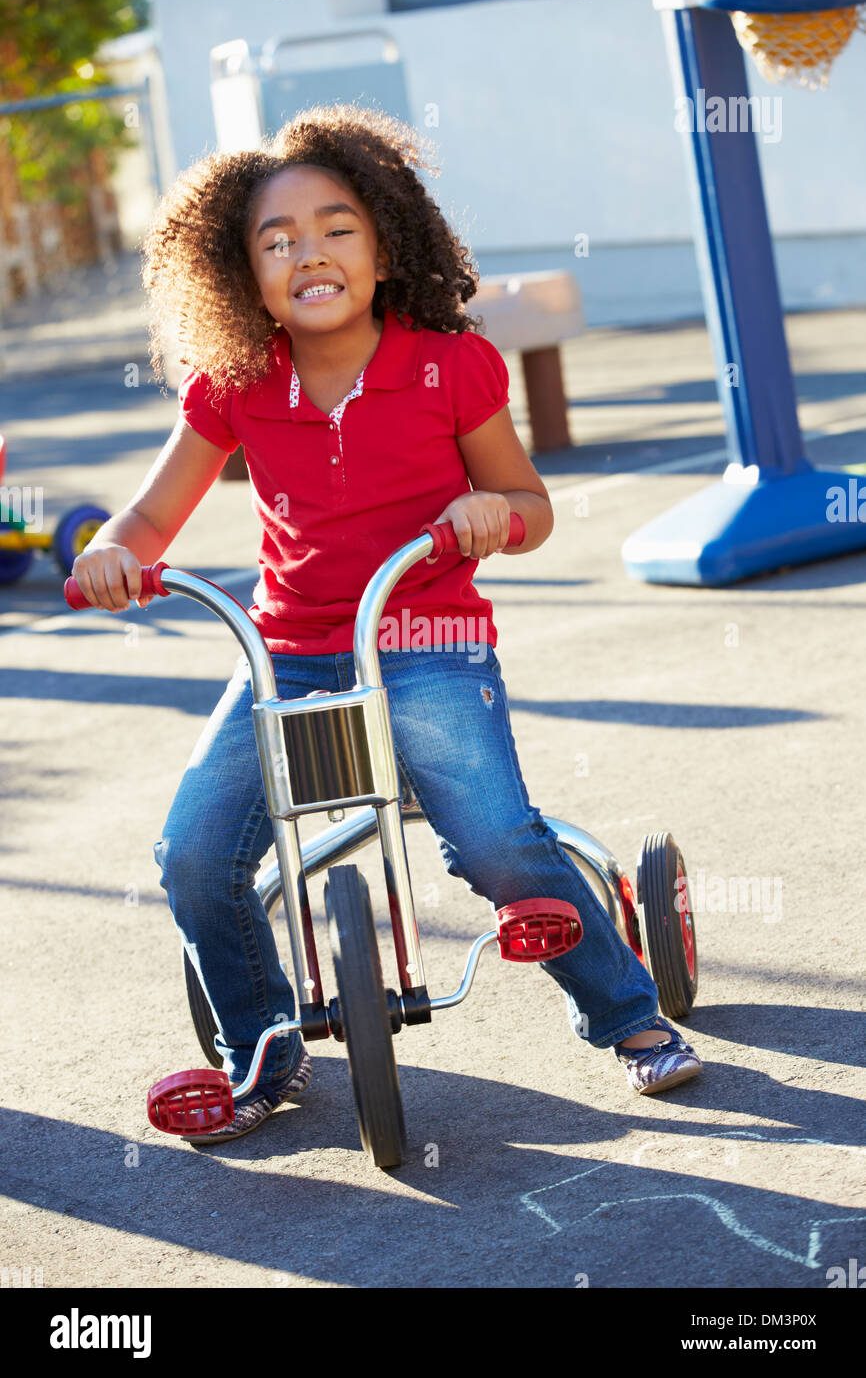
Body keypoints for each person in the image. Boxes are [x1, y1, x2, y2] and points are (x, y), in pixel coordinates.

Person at [72, 105, 701, 1145]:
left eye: (336, 228)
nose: (307, 254)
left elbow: (529, 504)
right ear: (241, 271)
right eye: (275, 241)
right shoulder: (235, 385)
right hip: (286, 652)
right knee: (192, 854)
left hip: (424, 641)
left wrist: (486, 514)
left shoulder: (448, 364)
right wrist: (115, 553)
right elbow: (148, 518)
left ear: (385, 242)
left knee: (497, 840)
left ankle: (626, 1015)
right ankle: (261, 1045)